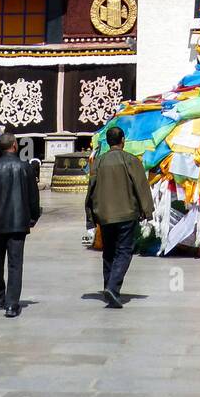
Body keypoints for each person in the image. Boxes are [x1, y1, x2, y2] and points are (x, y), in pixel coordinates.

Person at [85, 125, 154, 308]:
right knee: (124, 251)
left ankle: (109, 286)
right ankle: (113, 288)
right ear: (123, 140)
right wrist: (147, 210)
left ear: (108, 142)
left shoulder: (98, 162)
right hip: (127, 214)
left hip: (105, 215)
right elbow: (141, 186)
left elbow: (90, 189)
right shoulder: (130, 160)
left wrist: (90, 214)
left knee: (108, 251)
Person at [0, 132, 41, 317]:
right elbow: (33, 197)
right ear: (14, 145)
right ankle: (12, 304)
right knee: (15, 263)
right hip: (18, 223)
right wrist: (33, 217)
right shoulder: (25, 168)